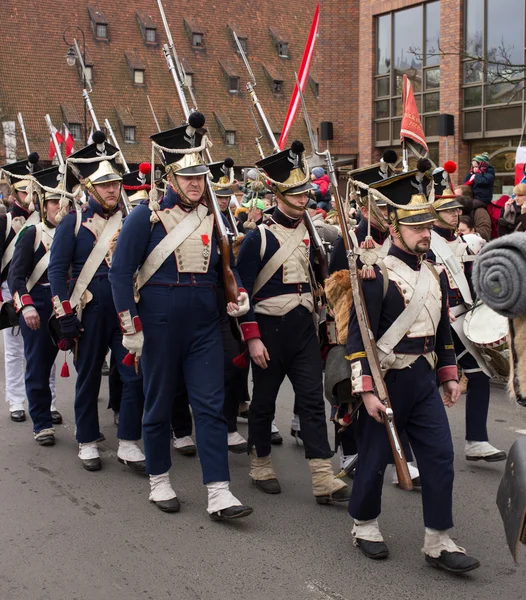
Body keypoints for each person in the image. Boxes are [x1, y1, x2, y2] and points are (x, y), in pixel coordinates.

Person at [109, 113, 252, 520]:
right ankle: (159, 481)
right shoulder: (146, 217)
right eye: (187, 176)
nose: (195, 183)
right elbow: (121, 273)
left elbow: (225, 269)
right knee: (156, 404)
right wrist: (129, 326)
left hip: (205, 324)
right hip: (158, 325)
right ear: (170, 178)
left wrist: (238, 294)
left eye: (200, 176)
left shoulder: (214, 218)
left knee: (209, 406)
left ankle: (219, 491)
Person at [346, 169, 480, 573]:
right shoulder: (376, 272)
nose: (426, 233)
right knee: (373, 458)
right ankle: (364, 524)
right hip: (387, 380)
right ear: (394, 227)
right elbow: (358, 339)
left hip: (422, 379)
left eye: (427, 225)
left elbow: (441, 333)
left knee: (440, 455)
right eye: (416, 226)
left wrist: (449, 374)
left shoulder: (434, 273)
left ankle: (438, 539)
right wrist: (366, 390)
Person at [236, 140, 350, 504]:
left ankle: (322, 476)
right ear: (278, 194)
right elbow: (240, 293)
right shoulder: (258, 237)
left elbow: (323, 283)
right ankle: (261, 463)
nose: (304, 200)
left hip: (303, 330)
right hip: (268, 331)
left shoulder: (315, 235)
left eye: (305, 193)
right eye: (296, 194)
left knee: (312, 402)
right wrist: (252, 337)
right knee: (264, 402)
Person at [48, 131, 145, 473]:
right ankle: (87, 440)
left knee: (134, 377)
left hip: (121, 311)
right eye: (104, 185)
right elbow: (58, 273)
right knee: (88, 377)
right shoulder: (72, 224)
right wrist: (65, 316)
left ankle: (129, 441)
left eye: (115, 183)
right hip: (88, 311)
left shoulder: (130, 220)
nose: (111, 189)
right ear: (89, 187)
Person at [430, 166, 506, 464]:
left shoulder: (462, 242)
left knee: (478, 376)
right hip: (438, 321)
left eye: (455, 210)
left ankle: (476, 440)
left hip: (462, 319)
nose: (454, 214)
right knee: (421, 387)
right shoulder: (427, 242)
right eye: (447, 210)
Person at [7, 166, 74, 445]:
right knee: (37, 363)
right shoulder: (32, 232)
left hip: (70, 300)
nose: (58, 207)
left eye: (63, 201)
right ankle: (42, 422)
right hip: (40, 302)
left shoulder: (76, 231)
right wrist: (26, 306)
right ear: (44, 204)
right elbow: (16, 276)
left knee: (84, 360)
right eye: (53, 202)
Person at [0, 153, 61, 423]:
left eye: (31, 191)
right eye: (23, 191)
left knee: (44, 348)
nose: (28, 196)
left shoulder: (46, 221)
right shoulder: (4, 222)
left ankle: (49, 402)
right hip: (9, 288)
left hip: (41, 287)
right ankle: (15, 400)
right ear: (15, 193)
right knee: (13, 349)